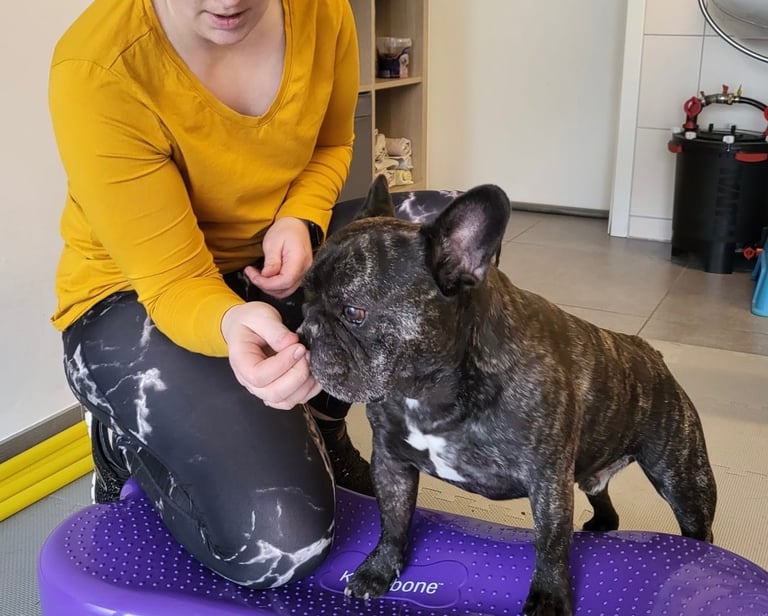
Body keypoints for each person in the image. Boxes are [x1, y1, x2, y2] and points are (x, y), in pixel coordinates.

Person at [48, 0, 372, 588]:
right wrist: (231, 321)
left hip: (261, 262)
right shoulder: (97, 67)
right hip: (136, 292)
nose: (226, 2)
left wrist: (301, 218)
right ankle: (123, 440)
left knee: (431, 235)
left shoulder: (326, 12)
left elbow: (331, 144)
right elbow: (174, 282)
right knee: (285, 541)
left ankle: (323, 428)